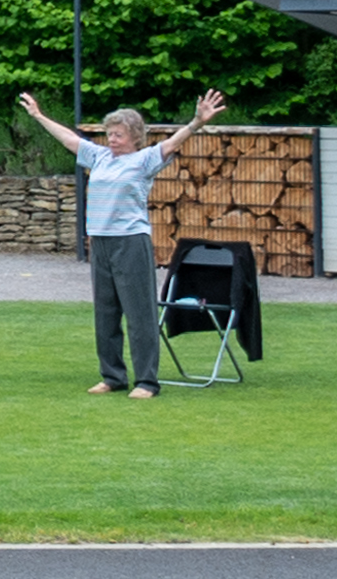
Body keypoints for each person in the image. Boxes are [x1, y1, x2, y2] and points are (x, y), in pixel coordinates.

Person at [19, 88, 226, 398]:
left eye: (118, 134)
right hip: (100, 242)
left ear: (134, 137)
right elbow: (69, 140)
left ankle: (147, 382)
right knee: (105, 312)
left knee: (139, 312)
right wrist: (38, 116)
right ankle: (113, 376)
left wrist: (196, 122)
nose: (112, 139)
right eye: (109, 133)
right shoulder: (99, 156)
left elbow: (173, 143)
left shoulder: (144, 160)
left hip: (130, 242)